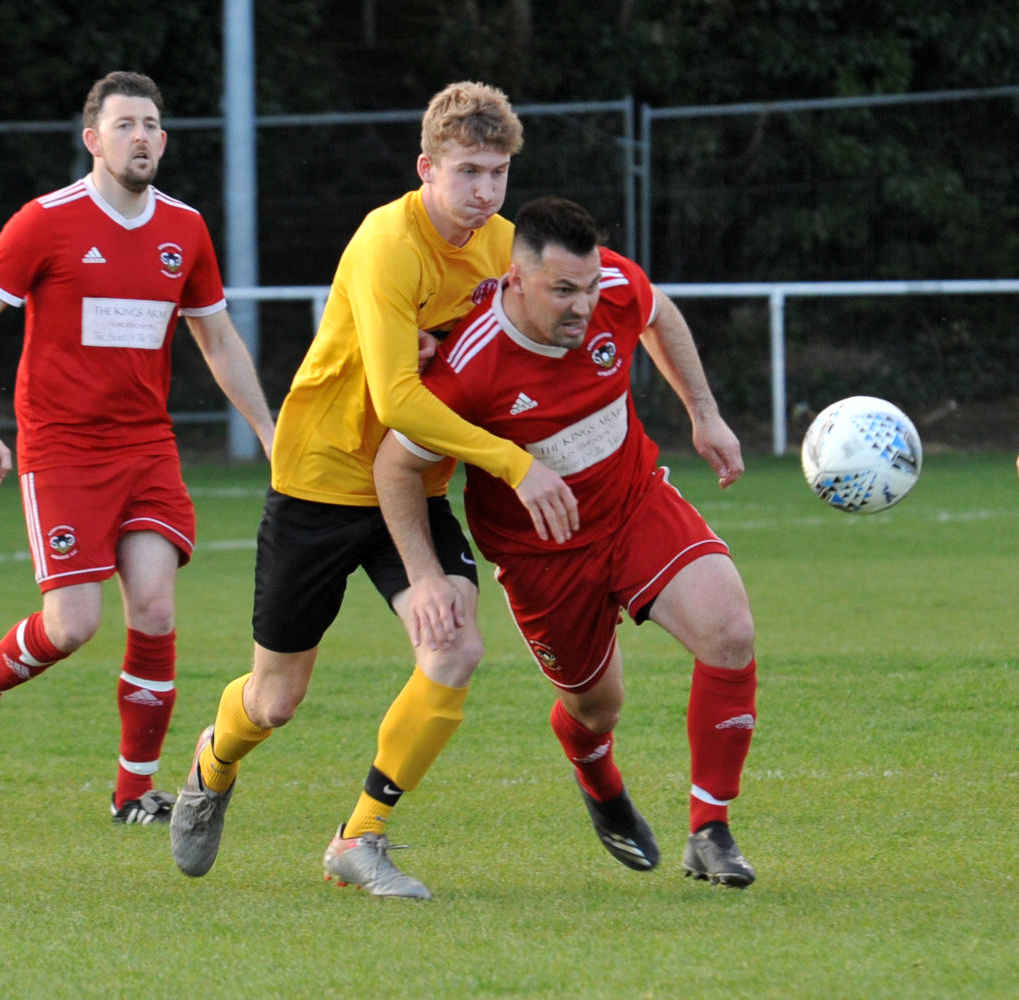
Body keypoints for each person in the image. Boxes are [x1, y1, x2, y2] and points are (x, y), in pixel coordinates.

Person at [170, 81, 579, 897]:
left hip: (414, 486)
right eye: (467, 170)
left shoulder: (504, 247)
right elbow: (396, 399)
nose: (485, 192)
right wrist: (512, 461)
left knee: (455, 646)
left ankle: (360, 837)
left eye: (498, 173)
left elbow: (525, 343)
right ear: (427, 167)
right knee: (276, 698)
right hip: (320, 479)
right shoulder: (386, 242)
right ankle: (211, 767)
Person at [0, 71, 276, 826]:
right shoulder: (45, 222)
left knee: (154, 607)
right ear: (93, 140)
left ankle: (134, 793)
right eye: (124, 125)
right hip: (63, 448)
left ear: (165, 139)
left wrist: (271, 434)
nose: (140, 136)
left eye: (151, 124)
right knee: (72, 626)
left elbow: (216, 338)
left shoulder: (186, 230)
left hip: (146, 445)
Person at [373, 196, 759, 887]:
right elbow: (394, 464)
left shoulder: (607, 288)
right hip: (543, 555)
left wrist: (705, 415)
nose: (583, 305)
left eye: (587, 286)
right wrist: (424, 575)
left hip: (634, 500)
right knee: (595, 707)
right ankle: (597, 776)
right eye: (562, 291)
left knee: (729, 630)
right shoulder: (469, 367)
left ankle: (710, 829)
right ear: (516, 280)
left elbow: (658, 312)